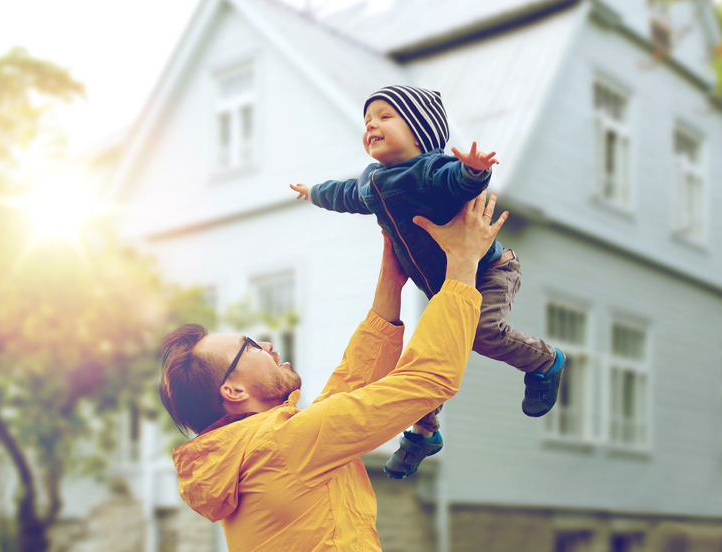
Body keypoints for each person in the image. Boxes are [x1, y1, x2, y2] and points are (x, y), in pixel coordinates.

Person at [159, 191, 506, 552]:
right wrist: (463, 259)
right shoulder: (281, 444)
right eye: (249, 345)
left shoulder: (250, 455)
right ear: (233, 391)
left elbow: (347, 390)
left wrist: (391, 278)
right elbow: (429, 378)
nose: (267, 346)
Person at [290, 85, 565, 480]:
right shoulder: (371, 181)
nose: (371, 125)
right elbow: (344, 193)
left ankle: (545, 361)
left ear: (419, 131)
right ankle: (424, 433)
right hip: (446, 288)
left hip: (489, 270)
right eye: (367, 121)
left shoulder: (429, 169)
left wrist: (474, 170)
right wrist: (314, 192)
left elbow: (456, 180)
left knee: (481, 333)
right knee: (427, 354)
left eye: (385, 116)